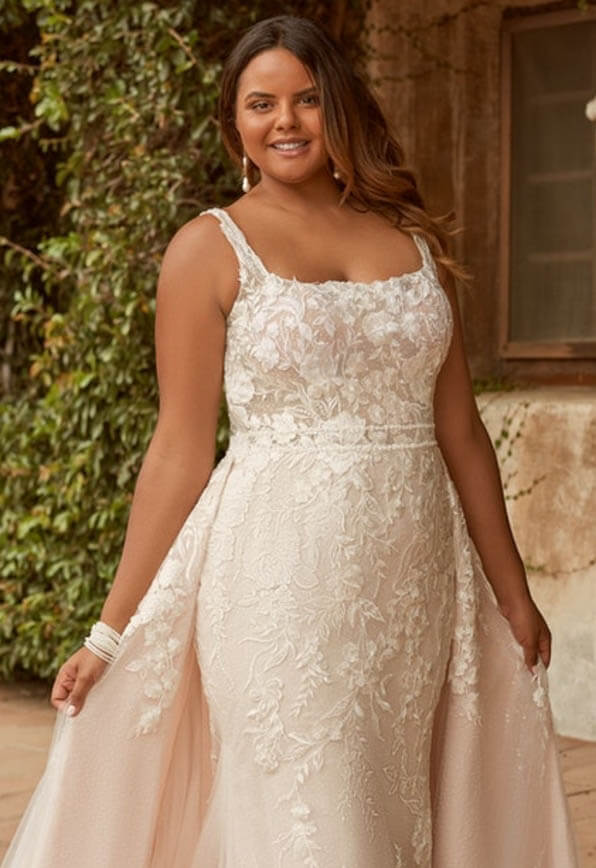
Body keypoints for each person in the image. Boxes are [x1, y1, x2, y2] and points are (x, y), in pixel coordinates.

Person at [1, 14, 580, 868]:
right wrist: (107, 633)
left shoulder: (414, 242)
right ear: (233, 124)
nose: (286, 121)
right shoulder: (207, 249)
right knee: (312, 810)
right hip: (278, 580)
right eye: (261, 103)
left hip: (415, 584)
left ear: (338, 107)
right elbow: (179, 451)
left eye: (307, 100)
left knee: (384, 804)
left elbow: (460, 435)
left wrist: (513, 593)